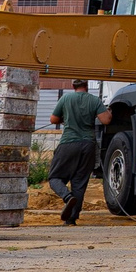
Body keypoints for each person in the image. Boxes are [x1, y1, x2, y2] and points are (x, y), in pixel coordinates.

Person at [46, 77, 108, 226]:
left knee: (55, 177)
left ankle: (67, 197)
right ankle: (71, 219)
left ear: (72, 85)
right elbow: (106, 120)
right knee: (79, 183)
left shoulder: (66, 98)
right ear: (86, 85)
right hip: (88, 145)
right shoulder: (94, 100)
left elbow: (53, 119)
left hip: (68, 143)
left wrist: (65, 119)